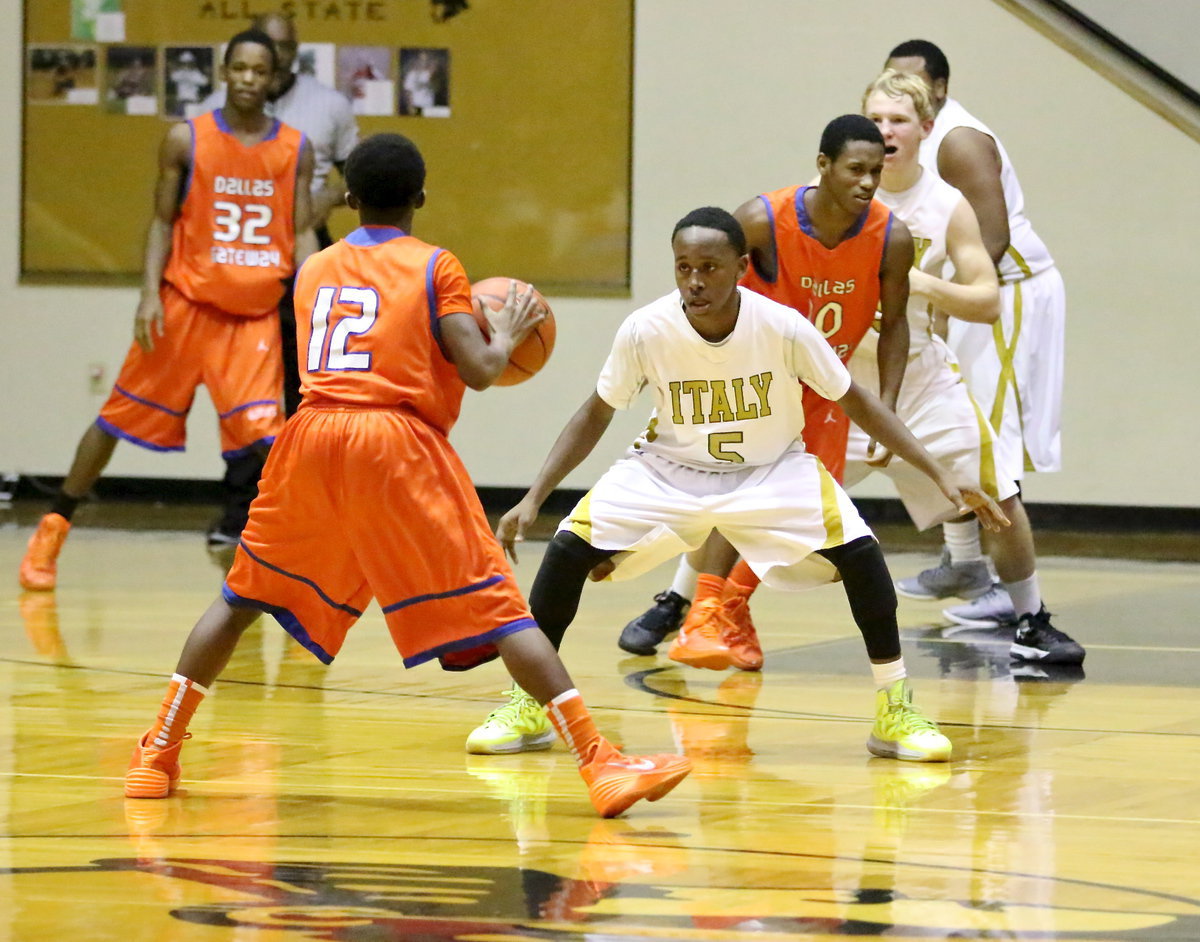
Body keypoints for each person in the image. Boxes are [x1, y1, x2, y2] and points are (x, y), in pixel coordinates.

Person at [121, 132, 691, 819]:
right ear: (420, 198)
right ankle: (600, 764)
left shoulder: (312, 268)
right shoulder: (436, 266)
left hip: (308, 435)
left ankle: (157, 752)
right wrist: (506, 332)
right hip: (394, 442)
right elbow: (481, 371)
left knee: (241, 597)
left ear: (351, 198)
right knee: (503, 608)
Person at [467, 202, 1009, 763]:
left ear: (741, 267)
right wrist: (535, 496)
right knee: (568, 548)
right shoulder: (646, 328)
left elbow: (858, 401)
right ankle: (528, 704)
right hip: (668, 470)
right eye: (683, 267)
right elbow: (596, 412)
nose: (695, 281)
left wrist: (939, 473)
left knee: (861, 553)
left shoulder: (782, 327)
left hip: (771, 469)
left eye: (709, 267)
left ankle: (894, 711)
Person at [18, 29, 317, 593]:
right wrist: (148, 293)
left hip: (251, 319)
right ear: (223, 72)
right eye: (241, 68)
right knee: (113, 421)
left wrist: (317, 297)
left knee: (274, 443)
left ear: (274, 78)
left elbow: (302, 231)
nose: (250, 79)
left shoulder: (296, 148)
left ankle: (296, 558)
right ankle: (53, 528)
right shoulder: (186, 140)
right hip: (185, 307)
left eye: (261, 70)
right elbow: (162, 221)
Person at [617, 115, 913, 663]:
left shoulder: (890, 237)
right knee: (732, 495)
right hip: (754, 381)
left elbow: (895, 323)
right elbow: (698, 284)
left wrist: (889, 408)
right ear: (823, 165)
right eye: (856, 169)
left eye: (877, 171)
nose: (868, 182)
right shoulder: (760, 220)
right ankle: (696, 607)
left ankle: (719, 609)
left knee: (787, 516)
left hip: (824, 388)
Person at [846, 70, 1082, 664]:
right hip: (844, 380)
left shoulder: (946, 204)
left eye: (898, 120)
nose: (886, 131)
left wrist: (917, 281)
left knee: (995, 490)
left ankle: (1031, 617)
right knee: (758, 476)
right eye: (875, 119)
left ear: (926, 129)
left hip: (923, 376)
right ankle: (687, 603)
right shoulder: (834, 199)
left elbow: (985, 300)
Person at [884, 40, 1066, 628]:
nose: (901, 95)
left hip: (1008, 294)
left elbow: (991, 240)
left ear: (938, 90)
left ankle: (1016, 597)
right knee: (948, 427)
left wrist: (937, 299)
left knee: (991, 443)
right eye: (891, 84)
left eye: (912, 86)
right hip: (953, 294)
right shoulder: (896, 150)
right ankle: (965, 562)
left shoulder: (957, 141)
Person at [199, 12, 360, 545]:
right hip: (239, 258)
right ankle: (239, 514)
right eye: (270, 48)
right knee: (245, 388)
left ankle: (305, 511)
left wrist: (309, 209)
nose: (278, 58)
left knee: (302, 386)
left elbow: (350, 179)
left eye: (287, 48)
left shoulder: (329, 105)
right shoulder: (215, 116)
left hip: (303, 251)